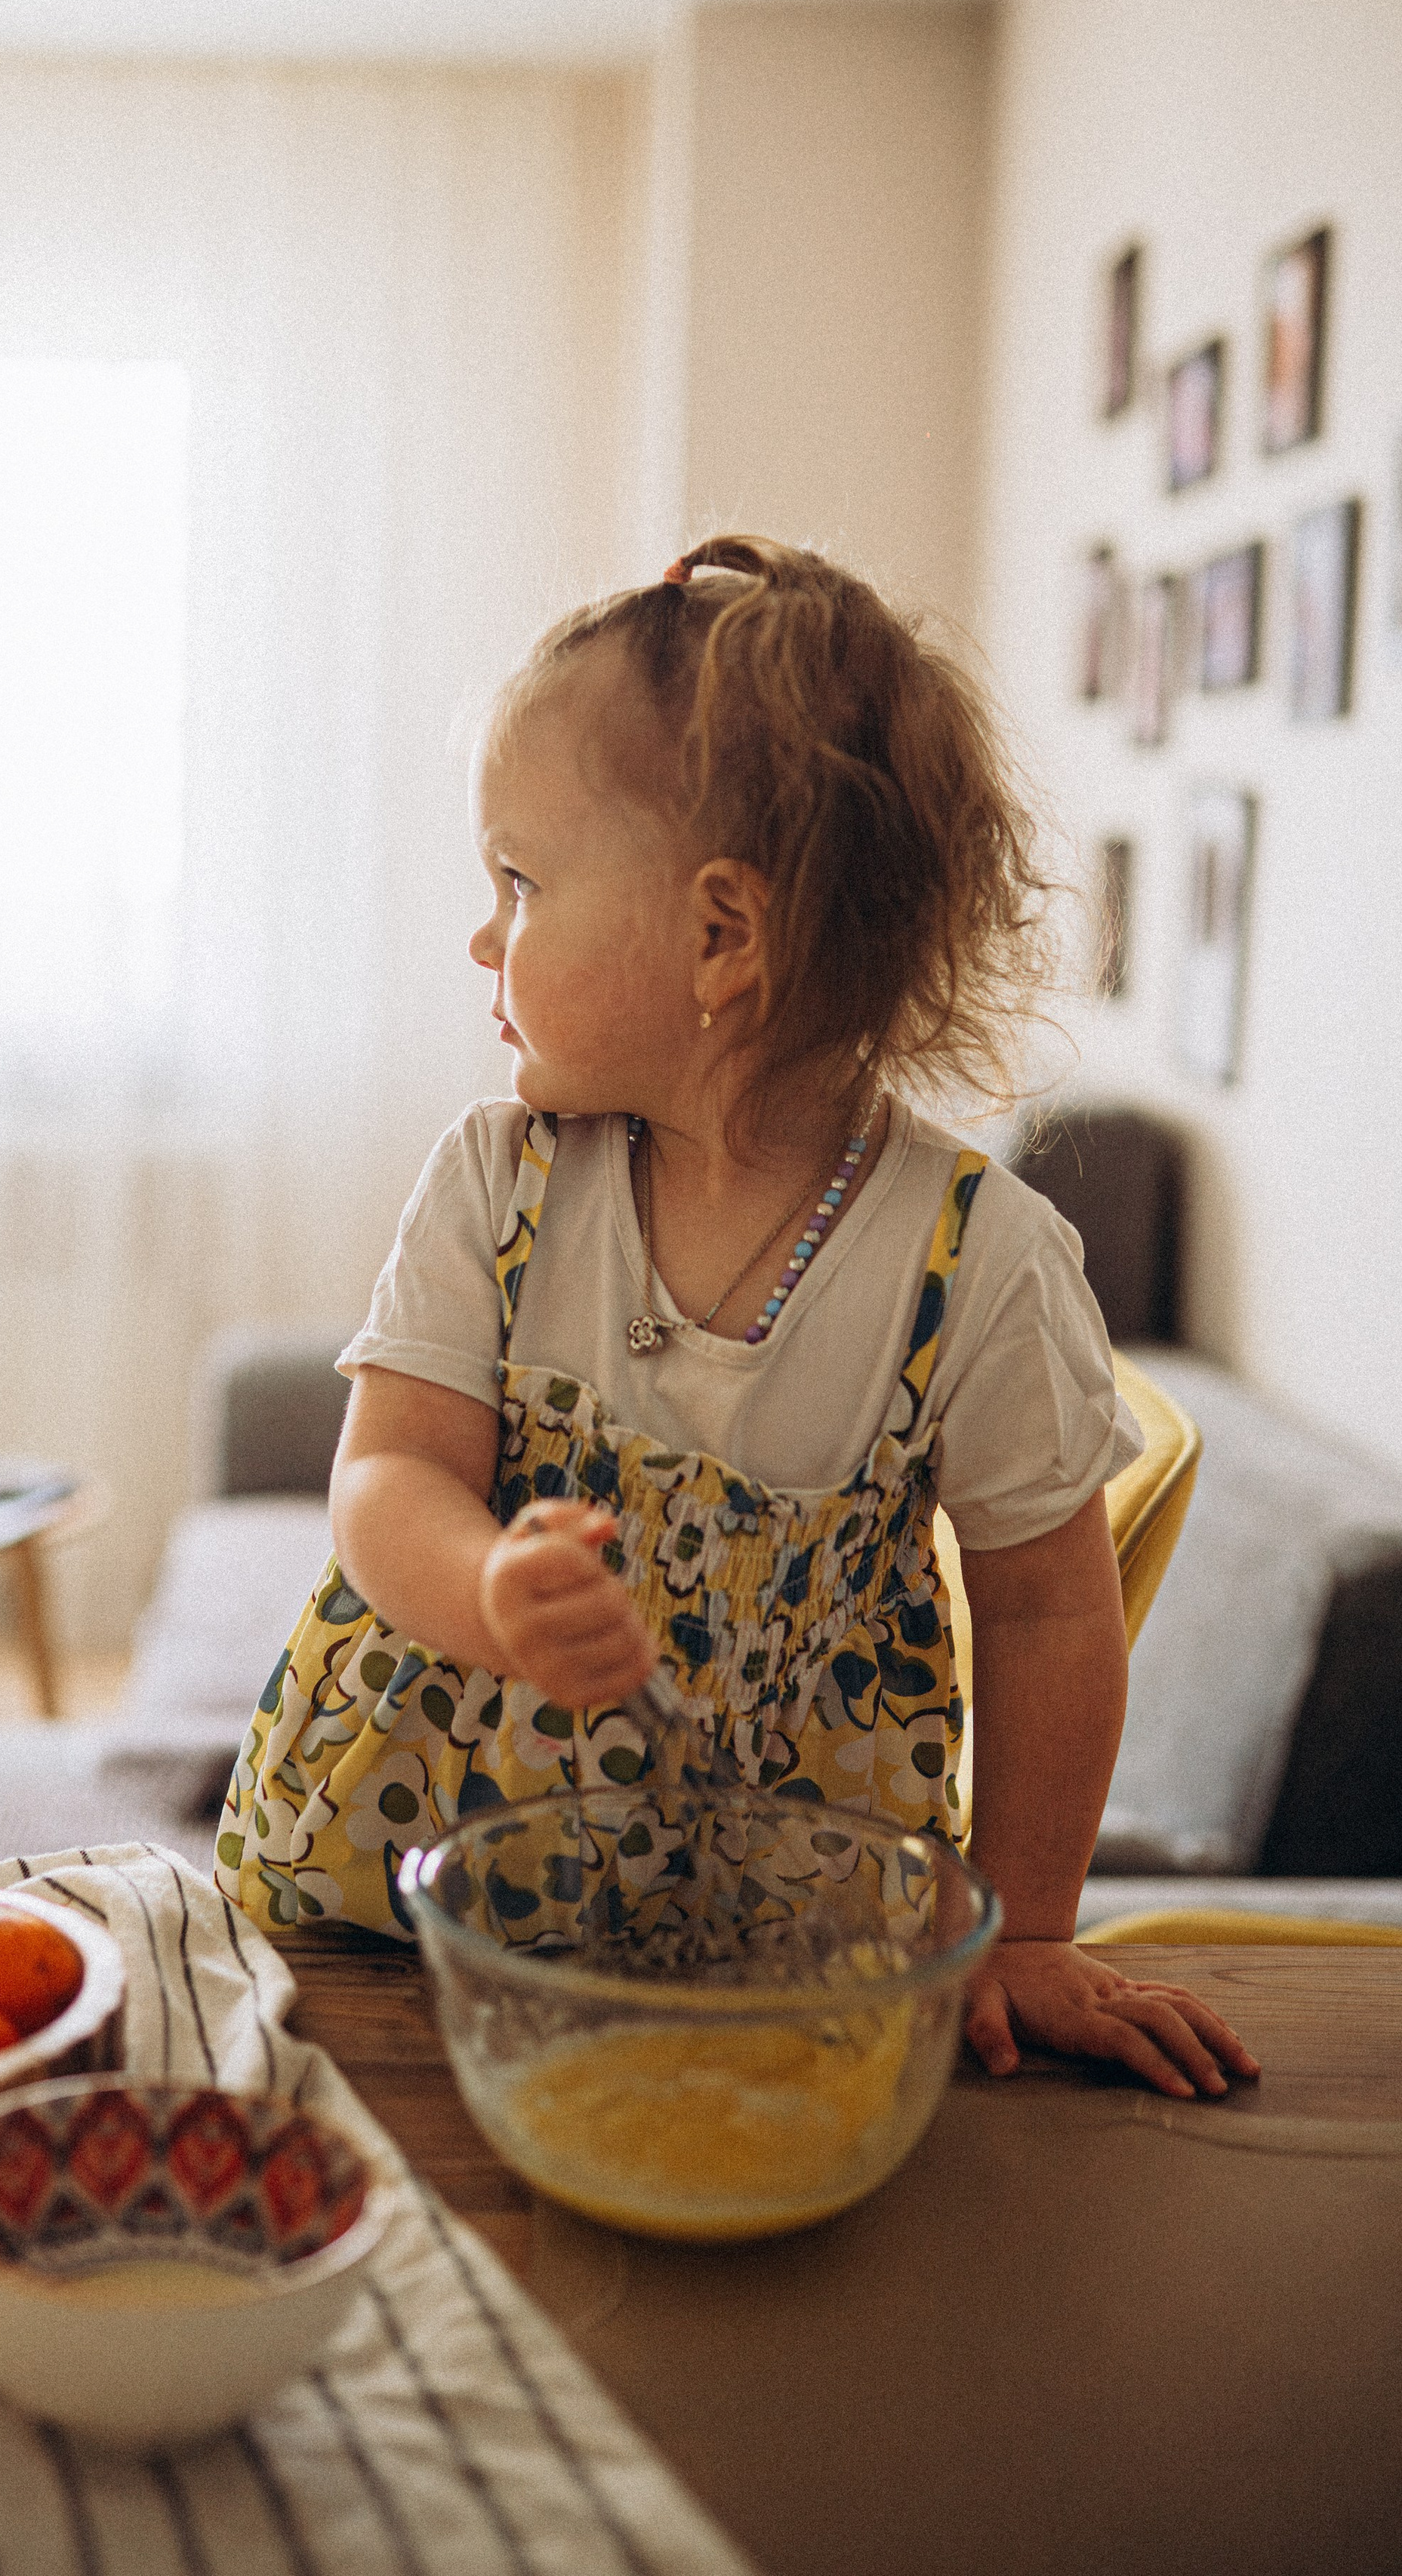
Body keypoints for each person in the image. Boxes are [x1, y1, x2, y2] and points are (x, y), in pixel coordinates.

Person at [216, 536, 1256, 2099]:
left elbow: (1047, 1614)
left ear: (718, 937)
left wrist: (1031, 1932)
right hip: (413, 1899)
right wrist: (491, 1588)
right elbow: (381, 1486)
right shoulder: (494, 1183)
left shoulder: (978, 1265)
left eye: (518, 880)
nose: (482, 938)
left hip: (758, 1942)